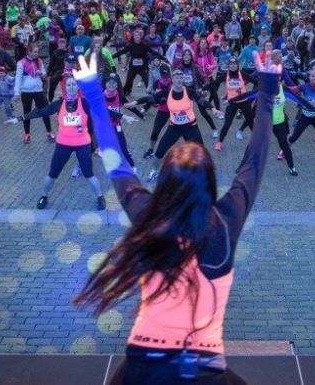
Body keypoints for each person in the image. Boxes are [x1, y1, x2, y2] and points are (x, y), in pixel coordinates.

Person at [72, 51, 279, 385]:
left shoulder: (146, 214)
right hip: (204, 367)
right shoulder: (226, 221)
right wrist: (268, 90)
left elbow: (115, 160)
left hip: (144, 364)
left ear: (164, 184)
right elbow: (254, 160)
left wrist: (93, 93)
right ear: (210, 183)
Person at [23, 76, 107, 210]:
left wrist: (123, 116)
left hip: (82, 144)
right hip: (63, 144)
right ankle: (43, 196)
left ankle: (100, 197)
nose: (72, 87)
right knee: (53, 173)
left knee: (89, 174)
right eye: (69, 85)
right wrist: (21, 118)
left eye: (74, 84)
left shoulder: (85, 103)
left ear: (78, 87)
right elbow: (41, 111)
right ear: (65, 88)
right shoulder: (58, 104)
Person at [15, 42, 52, 143]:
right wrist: (16, 93)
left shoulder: (39, 61)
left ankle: (49, 133)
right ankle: (27, 134)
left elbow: (44, 74)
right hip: (26, 91)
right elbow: (18, 78)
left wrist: (41, 74)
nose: (37, 54)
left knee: (45, 111)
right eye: (35, 52)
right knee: (27, 113)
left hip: (38, 90)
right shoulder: (21, 63)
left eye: (37, 52)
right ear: (29, 52)